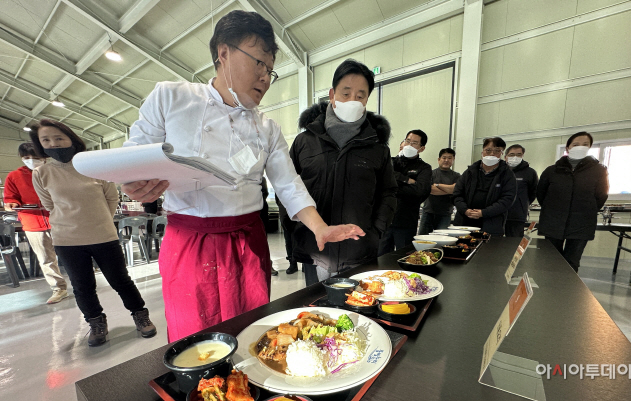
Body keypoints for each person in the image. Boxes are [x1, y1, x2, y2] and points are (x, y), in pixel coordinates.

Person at [120, 11, 364, 342]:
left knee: (250, 331)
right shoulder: (171, 98)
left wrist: (320, 227)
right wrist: (134, 184)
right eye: (259, 63)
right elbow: (132, 158)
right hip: (190, 241)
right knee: (196, 335)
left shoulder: (267, 128)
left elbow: (289, 185)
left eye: (270, 70)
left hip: (247, 242)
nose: (265, 77)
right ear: (224, 53)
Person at [30, 119, 156, 346]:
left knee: (121, 281)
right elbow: (49, 205)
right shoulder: (41, 173)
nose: (54, 144)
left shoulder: (93, 166)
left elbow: (112, 197)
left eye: (59, 138)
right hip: (66, 240)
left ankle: (140, 315)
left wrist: (100, 221)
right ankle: (96, 323)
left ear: (71, 138)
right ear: (40, 145)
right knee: (82, 287)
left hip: (103, 236)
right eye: (46, 140)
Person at [290, 59, 397, 285]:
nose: (352, 101)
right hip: (315, 250)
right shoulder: (304, 142)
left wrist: (375, 232)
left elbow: (388, 193)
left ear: (367, 99)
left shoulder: (377, 147)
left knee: (356, 312)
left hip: (358, 252)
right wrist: (297, 228)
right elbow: (288, 188)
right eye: (346, 94)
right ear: (332, 94)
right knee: (316, 313)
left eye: (360, 95)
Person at [3, 142, 68, 304]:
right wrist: (11, 204)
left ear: (45, 157)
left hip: (60, 220)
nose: (31, 160)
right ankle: (58, 288)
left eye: (36, 157)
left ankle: (83, 284)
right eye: (26, 158)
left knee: (72, 255)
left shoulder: (55, 172)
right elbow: (10, 198)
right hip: (33, 223)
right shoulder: (14, 176)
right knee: (46, 258)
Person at [536, 131, 609, 272]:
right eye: (576, 144)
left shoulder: (599, 171)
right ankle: (550, 290)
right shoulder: (552, 171)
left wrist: (586, 210)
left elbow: (601, 196)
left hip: (581, 224)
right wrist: (553, 210)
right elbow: (541, 194)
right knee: (551, 260)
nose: (580, 147)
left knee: (572, 261)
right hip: (553, 222)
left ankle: (567, 292)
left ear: (589, 147)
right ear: (568, 148)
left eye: (585, 144)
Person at [378, 130, 431, 255]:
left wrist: (392, 187)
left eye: (414, 143)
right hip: (385, 220)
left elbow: (419, 191)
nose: (409, 145)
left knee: (403, 257)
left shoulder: (424, 168)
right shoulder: (391, 162)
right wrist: (406, 180)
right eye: (408, 141)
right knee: (380, 257)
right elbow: (381, 181)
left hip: (406, 221)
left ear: (421, 148)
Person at [453, 137, 516, 236]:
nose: (491, 154)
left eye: (497, 151)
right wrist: (465, 210)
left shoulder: (507, 174)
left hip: (491, 225)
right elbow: (457, 194)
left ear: (502, 154)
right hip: (464, 223)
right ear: (482, 152)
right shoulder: (469, 172)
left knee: (488, 250)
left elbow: (507, 199)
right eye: (488, 150)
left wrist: (484, 213)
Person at [418, 148, 460, 234]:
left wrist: (438, 185)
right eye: (444, 158)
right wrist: (449, 189)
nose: (446, 160)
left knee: (441, 240)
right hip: (428, 212)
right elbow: (431, 190)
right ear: (439, 159)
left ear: (453, 160)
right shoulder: (430, 173)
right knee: (423, 239)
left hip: (445, 214)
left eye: (449, 158)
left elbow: (455, 190)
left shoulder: (457, 176)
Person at [504, 144, 538, 237]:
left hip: (517, 216)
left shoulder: (530, 172)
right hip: (498, 214)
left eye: (518, 155)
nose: (515, 157)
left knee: (513, 244)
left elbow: (533, 192)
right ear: (505, 157)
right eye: (511, 155)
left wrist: (522, 203)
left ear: (522, 156)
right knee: (494, 244)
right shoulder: (500, 171)